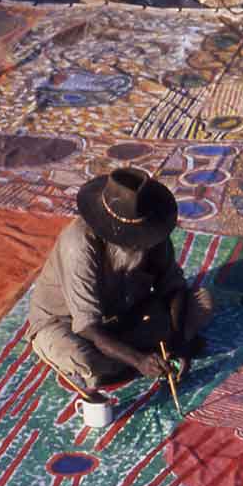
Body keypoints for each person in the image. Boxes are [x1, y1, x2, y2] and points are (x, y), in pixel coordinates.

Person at [28, 166, 213, 395]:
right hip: (68, 323)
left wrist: (176, 344)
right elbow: (87, 325)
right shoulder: (78, 245)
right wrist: (138, 360)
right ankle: (136, 358)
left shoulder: (152, 231)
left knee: (202, 303)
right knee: (81, 357)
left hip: (125, 313)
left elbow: (173, 287)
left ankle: (135, 356)